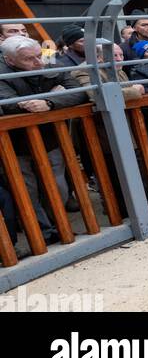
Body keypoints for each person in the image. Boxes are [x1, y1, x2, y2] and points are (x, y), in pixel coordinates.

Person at [0, 36, 89, 244]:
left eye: (39, 55)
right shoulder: (3, 70)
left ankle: (60, 225)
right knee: (27, 190)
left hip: (49, 138)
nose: (38, 63)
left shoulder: (47, 59)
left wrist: (49, 101)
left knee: (58, 186)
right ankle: (44, 234)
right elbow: (8, 103)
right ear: (10, 60)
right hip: (15, 144)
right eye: (28, 60)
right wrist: (51, 95)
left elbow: (78, 91)